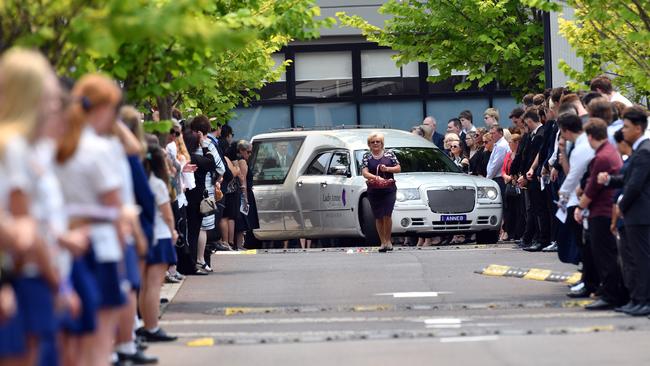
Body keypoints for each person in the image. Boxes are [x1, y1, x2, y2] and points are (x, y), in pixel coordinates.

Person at [55, 73, 127, 366]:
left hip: (63, 246)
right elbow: (115, 208)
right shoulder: (99, 149)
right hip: (101, 245)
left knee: (71, 342)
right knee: (99, 341)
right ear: (103, 107)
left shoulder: (57, 147)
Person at [599, 106, 650, 316]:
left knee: (642, 260)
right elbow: (629, 179)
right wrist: (611, 180)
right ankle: (638, 299)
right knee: (635, 260)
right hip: (635, 214)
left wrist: (620, 206)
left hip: (640, 214)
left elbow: (635, 186)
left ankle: (644, 300)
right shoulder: (640, 150)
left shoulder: (644, 151)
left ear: (638, 128)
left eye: (627, 127)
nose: (624, 130)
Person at [574, 118, 627, 310]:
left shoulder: (602, 157)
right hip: (605, 209)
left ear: (590, 136)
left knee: (604, 257)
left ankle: (611, 294)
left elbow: (592, 188)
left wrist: (580, 208)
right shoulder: (610, 152)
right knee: (608, 254)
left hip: (601, 211)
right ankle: (612, 292)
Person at [137, 144, 178, 342]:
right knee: (154, 286)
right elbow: (168, 215)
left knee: (144, 286)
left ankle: (143, 324)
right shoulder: (158, 184)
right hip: (160, 235)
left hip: (143, 235)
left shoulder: (138, 182)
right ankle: (152, 326)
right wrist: (172, 233)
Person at [360, 132, 401, 252]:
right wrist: (375, 177)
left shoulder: (389, 154)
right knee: (378, 216)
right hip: (374, 189)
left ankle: (388, 240)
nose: (375, 144)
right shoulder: (366, 156)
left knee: (387, 214)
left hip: (389, 189)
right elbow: (364, 172)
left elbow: (398, 168)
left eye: (378, 141)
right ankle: (382, 242)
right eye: (373, 142)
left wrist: (387, 169)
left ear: (382, 143)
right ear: (369, 144)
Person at [234, 140, 260, 249]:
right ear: (242, 151)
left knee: (244, 220)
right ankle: (240, 244)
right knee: (243, 219)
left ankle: (240, 244)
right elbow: (242, 179)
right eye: (248, 152)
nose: (249, 154)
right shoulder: (242, 161)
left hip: (246, 192)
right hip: (245, 193)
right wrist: (244, 197)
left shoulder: (240, 160)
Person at [486, 125, 510, 201]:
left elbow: (496, 164)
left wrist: (488, 178)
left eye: (493, 133)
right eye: (490, 133)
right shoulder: (498, 145)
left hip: (499, 178)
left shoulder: (501, 146)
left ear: (500, 133)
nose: (491, 136)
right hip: (496, 177)